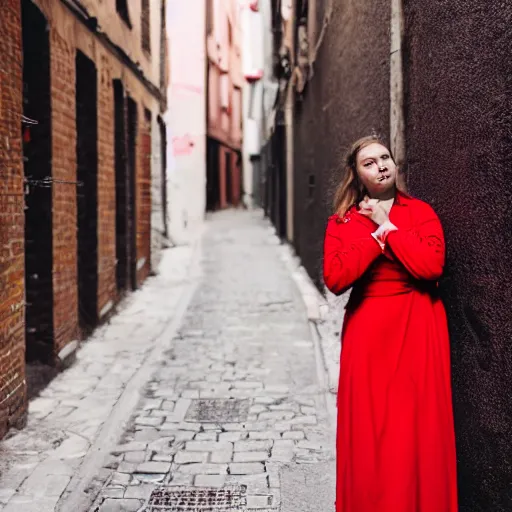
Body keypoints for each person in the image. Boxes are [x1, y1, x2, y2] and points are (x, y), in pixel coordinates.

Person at [323, 135, 458, 512]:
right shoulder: (343, 221)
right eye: (369, 162)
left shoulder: (421, 212)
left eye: (385, 157)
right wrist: (375, 237)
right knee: (371, 429)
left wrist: (387, 226)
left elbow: (430, 267)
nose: (381, 165)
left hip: (419, 325)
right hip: (369, 332)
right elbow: (335, 278)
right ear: (356, 174)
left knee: (417, 428)